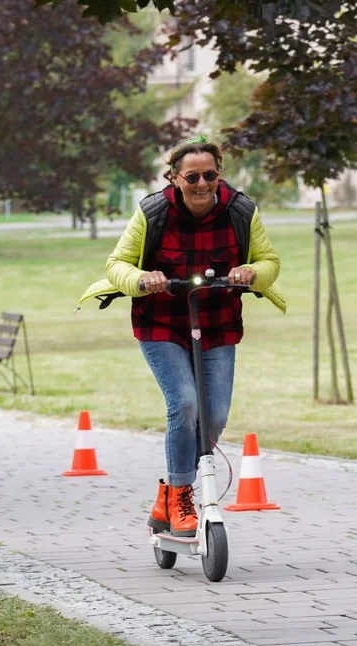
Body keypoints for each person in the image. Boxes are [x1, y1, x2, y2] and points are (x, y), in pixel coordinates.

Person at [77, 134, 285, 537]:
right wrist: (142, 278)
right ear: (174, 178)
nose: (202, 184)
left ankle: (168, 497)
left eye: (210, 175)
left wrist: (252, 273)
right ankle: (181, 494)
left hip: (218, 321)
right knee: (186, 404)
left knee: (215, 415)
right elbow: (116, 263)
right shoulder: (153, 212)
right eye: (192, 177)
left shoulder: (240, 211)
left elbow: (268, 260)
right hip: (162, 322)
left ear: (219, 174)